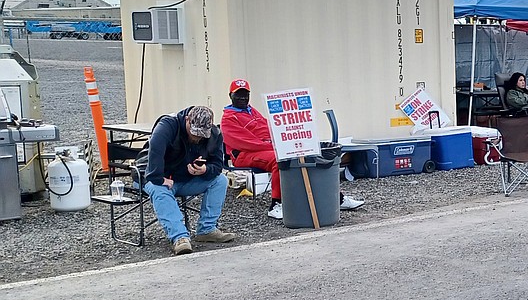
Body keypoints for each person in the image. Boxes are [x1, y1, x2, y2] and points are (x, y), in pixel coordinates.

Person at [220, 78, 364, 221]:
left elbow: (271, 129)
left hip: (267, 148)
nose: (242, 97)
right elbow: (246, 143)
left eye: (245, 94)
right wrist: (278, 147)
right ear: (230, 96)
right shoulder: (228, 118)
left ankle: (337, 199)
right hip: (245, 154)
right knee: (281, 160)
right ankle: (276, 205)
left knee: (308, 155)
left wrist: (288, 140)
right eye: (238, 94)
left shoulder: (251, 111)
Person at [141, 105, 235, 255]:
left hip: (186, 178)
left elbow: (218, 165)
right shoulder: (168, 125)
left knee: (220, 180)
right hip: (154, 177)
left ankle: (207, 229)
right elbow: (155, 151)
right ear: (187, 120)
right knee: (159, 189)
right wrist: (158, 178)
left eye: (201, 135)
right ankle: (180, 238)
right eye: (194, 134)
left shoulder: (215, 134)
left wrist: (204, 170)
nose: (197, 138)